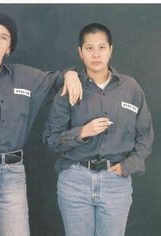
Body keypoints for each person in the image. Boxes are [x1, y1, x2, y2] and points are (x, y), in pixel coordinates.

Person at [0, 13, 82, 236]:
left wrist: (70, 75)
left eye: (4, 38)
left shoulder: (26, 77)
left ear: (9, 48)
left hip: (10, 173)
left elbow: (59, 79)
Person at [43, 23, 154, 236]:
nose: (96, 54)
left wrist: (129, 165)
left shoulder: (131, 88)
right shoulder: (69, 88)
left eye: (102, 47)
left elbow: (145, 136)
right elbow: (50, 140)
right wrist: (82, 132)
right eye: (89, 48)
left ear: (111, 49)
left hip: (116, 183)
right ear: (80, 52)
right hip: (75, 180)